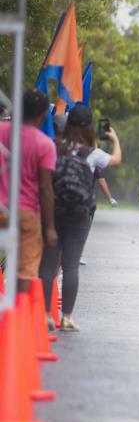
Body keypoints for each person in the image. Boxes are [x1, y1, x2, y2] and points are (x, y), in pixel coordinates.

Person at [39, 104, 121, 331]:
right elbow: (116, 160)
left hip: (54, 210)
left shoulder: (53, 147)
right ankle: (66, 317)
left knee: (48, 264)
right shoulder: (92, 153)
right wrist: (114, 139)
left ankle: (45, 314)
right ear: (89, 127)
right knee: (71, 264)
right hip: (79, 214)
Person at [0, 89, 57, 294]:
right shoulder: (45, 144)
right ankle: (18, 312)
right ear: (43, 116)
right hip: (25, 212)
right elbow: (45, 187)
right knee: (26, 267)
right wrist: (49, 226)